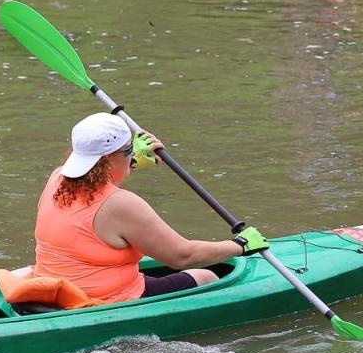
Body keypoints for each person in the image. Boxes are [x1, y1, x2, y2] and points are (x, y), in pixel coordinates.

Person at [29, 113, 268, 305]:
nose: (132, 155)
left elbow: (95, 181)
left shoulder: (58, 178)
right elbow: (182, 256)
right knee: (206, 276)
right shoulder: (122, 204)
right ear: (113, 157)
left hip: (54, 288)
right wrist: (240, 245)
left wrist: (131, 161)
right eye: (128, 151)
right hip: (103, 299)